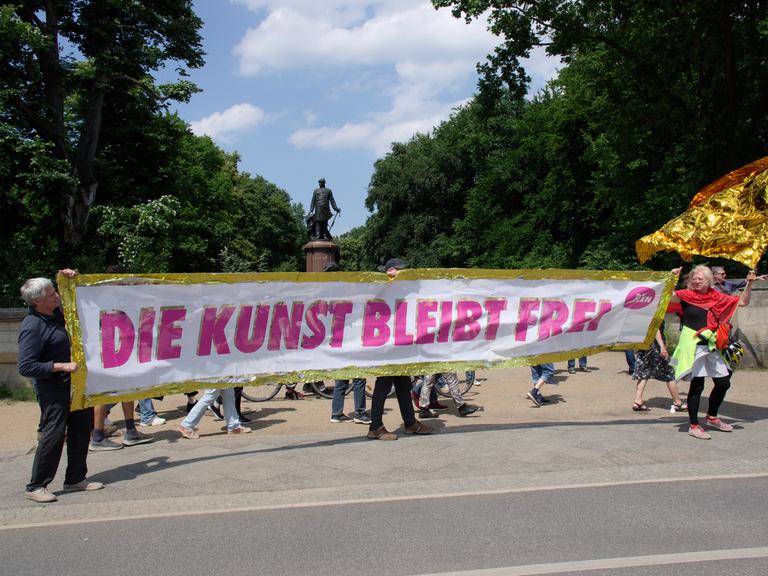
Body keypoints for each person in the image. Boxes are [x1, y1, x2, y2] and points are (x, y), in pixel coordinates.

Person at [18, 271, 103, 502]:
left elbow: (77, 296)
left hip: (76, 386)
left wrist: (69, 277)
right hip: (54, 390)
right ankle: (36, 485)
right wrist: (60, 366)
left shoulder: (58, 315)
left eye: (55, 291)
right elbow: (26, 366)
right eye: (51, 294)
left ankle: (75, 478)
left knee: (81, 430)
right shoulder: (32, 326)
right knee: (54, 435)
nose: (56, 296)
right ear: (37, 302)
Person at [670, 265, 757, 439]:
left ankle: (712, 417)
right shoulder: (685, 296)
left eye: (700, 278)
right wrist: (672, 278)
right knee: (697, 385)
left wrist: (749, 283)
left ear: (709, 280)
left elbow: (744, 302)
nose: (696, 281)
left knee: (724, 382)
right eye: (693, 278)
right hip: (693, 345)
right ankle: (693, 425)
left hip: (712, 345)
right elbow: (668, 298)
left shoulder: (717, 296)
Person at [367, 258, 432, 440]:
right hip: (388, 345)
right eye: (400, 271)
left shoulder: (404, 290)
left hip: (401, 344)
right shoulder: (381, 287)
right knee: (383, 384)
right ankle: (375, 427)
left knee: (403, 384)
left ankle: (410, 423)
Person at [631, 324, 685, 412]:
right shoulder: (656, 311)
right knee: (669, 372)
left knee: (644, 371)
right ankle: (677, 403)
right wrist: (662, 347)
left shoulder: (645, 311)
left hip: (645, 344)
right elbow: (654, 328)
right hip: (655, 346)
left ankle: (638, 400)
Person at [177, 387, 250, 439]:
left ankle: (233, 426)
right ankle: (186, 425)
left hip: (224, 369)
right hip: (217, 369)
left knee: (228, 394)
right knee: (210, 396)